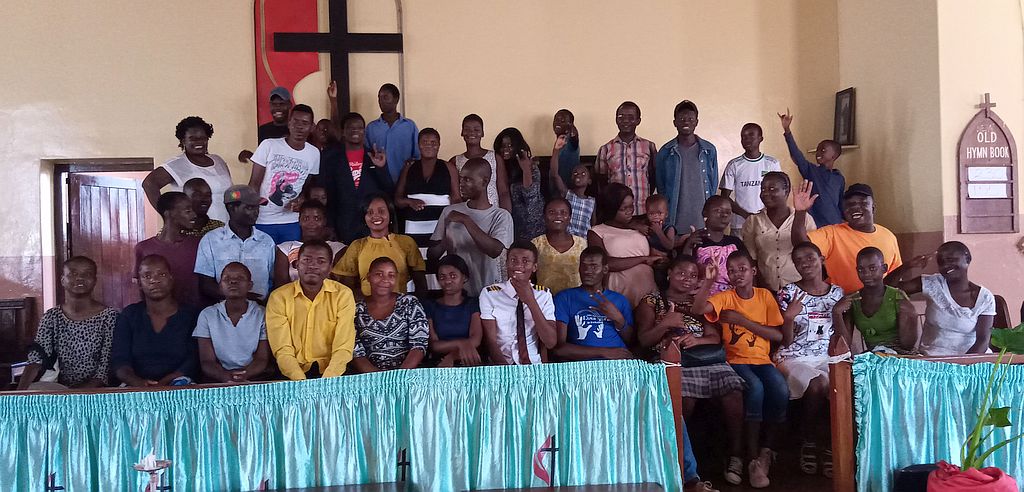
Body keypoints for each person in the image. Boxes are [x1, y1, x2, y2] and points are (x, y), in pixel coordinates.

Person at [635, 255, 745, 485]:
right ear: (669, 274)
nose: (687, 279)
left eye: (693, 275)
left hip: (706, 359)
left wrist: (697, 341)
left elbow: (714, 336)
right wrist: (666, 324)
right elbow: (644, 340)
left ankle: (735, 455)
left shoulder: (699, 302)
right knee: (685, 400)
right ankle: (685, 463)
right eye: (681, 273)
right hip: (671, 361)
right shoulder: (651, 301)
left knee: (734, 392)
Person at [691, 251, 788, 488]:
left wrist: (744, 322)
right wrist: (709, 281)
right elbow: (697, 309)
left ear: (753, 271)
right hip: (735, 360)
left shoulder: (764, 296)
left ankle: (766, 450)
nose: (737, 274)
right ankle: (752, 458)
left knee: (781, 390)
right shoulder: (725, 297)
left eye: (742, 269)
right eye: (732, 270)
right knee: (754, 389)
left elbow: (778, 335)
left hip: (762, 360)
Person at [775, 242, 848, 477]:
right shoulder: (788, 292)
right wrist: (788, 318)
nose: (805, 263)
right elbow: (784, 342)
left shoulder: (838, 293)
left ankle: (831, 445)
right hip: (795, 357)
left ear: (821, 258)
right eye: (799, 260)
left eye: (810, 258)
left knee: (839, 386)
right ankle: (809, 441)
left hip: (827, 357)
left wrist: (836, 313)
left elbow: (843, 336)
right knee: (816, 384)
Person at [18, 256, 117, 390]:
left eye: (87, 274)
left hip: (98, 391)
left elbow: (104, 370)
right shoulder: (52, 317)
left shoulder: (110, 317)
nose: (80, 278)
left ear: (94, 281)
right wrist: (18, 395)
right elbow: (36, 359)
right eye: (73, 274)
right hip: (60, 388)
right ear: (62, 280)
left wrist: (73, 396)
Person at [265, 240, 356, 379]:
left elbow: (343, 347)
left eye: (321, 261)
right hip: (292, 374)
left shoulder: (343, 295)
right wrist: (301, 383)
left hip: (333, 372)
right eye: (307, 260)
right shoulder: (279, 297)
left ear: (330, 267)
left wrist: (328, 381)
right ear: (297, 264)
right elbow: (282, 350)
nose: (313, 265)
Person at [886, 241, 995, 356]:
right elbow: (886, 288)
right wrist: (908, 265)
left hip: (971, 361)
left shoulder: (985, 298)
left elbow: (982, 341)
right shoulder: (933, 283)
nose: (946, 266)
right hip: (933, 361)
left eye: (951, 260)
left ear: (967, 260)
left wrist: (961, 366)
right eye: (941, 262)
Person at [792, 181, 902, 294]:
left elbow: (895, 275)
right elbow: (801, 245)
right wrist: (800, 212)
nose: (855, 207)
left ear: (873, 208)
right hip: (841, 304)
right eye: (849, 205)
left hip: (877, 305)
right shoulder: (832, 233)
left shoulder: (888, 236)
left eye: (862, 203)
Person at [428, 158, 514, 294]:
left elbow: (494, 250)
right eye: (461, 179)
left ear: (484, 182)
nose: (461, 184)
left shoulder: (500, 216)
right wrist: (443, 244)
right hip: (457, 294)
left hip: (488, 291)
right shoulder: (450, 211)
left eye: (467, 180)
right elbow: (431, 255)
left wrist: (466, 221)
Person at [112, 255, 199, 387]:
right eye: (147, 276)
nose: (154, 280)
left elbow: (194, 360)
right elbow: (120, 360)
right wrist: (138, 383)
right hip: (135, 385)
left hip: (180, 385)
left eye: (161, 274)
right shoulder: (130, 315)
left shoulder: (190, 315)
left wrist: (164, 383)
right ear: (140, 283)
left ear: (171, 278)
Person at [247, 104, 321, 244]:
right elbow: (253, 185)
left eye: (304, 123)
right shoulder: (269, 145)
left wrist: (300, 200)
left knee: (289, 263)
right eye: (295, 122)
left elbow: (306, 185)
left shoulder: (314, 153)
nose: (299, 127)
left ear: (312, 127)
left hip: (291, 220)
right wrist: (251, 216)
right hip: (263, 219)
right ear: (289, 123)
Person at [194, 185, 279, 302]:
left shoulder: (266, 241)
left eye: (257, 208)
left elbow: (275, 280)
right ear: (232, 208)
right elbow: (205, 284)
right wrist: (240, 298)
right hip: (223, 311)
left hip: (260, 311)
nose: (256, 212)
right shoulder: (211, 240)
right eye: (250, 208)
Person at [320, 110, 394, 243]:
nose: (355, 131)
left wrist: (381, 168)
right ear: (343, 131)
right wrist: (330, 225)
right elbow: (328, 193)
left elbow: (388, 189)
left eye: (359, 128)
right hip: (343, 224)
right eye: (351, 127)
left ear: (364, 132)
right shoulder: (331, 157)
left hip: (371, 223)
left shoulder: (374, 156)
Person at [333, 194, 427, 298]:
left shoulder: (406, 242)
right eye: (370, 212)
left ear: (390, 214)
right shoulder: (357, 246)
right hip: (365, 308)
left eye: (381, 211)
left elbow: (420, 283)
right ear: (364, 217)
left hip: (401, 309)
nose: (376, 216)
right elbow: (346, 283)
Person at [143, 116, 233, 223]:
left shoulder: (218, 161)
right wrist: (169, 217)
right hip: (195, 228)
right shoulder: (177, 164)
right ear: (183, 141)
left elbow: (230, 193)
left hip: (225, 227)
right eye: (193, 139)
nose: (199, 142)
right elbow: (149, 184)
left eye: (203, 138)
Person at [479, 240, 557, 365]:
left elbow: (550, 342)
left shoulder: (543, 295)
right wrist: (507, 373)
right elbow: (491, 342)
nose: (518, 265)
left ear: (534, 267)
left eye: (525, 261)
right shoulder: (490, 294)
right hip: (501, 365)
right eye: (513, 260)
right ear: (506, 264)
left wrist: (530, 300)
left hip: (533, 365)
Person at [552, 246, 635, 361]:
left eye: (593, 266)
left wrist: (618, 318)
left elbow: (632, 341)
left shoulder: (620, 300)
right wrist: (604, 352)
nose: (587, 271)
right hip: (583, 365)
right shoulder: (565, 298)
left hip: (618, 363)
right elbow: (559, 349)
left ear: (605, 269)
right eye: (583, 266)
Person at [193, 262, 270, 382]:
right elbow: (207, 361)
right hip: (218, 378)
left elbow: (262, 359)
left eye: (240, 278)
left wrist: (244, 375)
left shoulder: (262, 314)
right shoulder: (207, 315)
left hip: (254, 378)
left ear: (250, 285)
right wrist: (226, 377)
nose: (233, 282)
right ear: (220, 286)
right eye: (226, 279)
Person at [832, 247, 918, 354]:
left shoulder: (897, 297)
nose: (866, 274)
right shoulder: (853, 300)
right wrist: (837, 313)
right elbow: (844, 345)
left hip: (900, 357)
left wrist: (911, 317)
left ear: (884, 268)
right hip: (873, 357)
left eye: (872, 268)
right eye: (860, 270)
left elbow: (908, 345)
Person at [741, 172, 817, 292]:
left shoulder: (805, 218)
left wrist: (800, 213)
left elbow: (808, 251)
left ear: (786, 192)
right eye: (763, 189)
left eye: (772, 189)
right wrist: (760, 290)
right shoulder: (753, 221)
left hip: (800, 289)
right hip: (767, 289)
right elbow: (752, 260)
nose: (765, 193)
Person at [588, 183, 662, 307]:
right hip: (618, 295)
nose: (629, 211)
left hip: (649, 295)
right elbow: (605, 263)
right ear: (611, 208)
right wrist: (643, 259)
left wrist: (659, 259)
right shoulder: (597, 232)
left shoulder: (641, 227)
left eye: (631, 206)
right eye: (623, 208)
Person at [350, 257, 429, 372]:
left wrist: (398, 378)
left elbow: (419, 344)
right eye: (379, 274)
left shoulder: (409, 303)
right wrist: (378, 380)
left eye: (391, 275)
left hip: (407, 375)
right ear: (368, 277)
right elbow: (355, 351)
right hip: (370, 378)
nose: (385, 279)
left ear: (396, 278)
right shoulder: (357, 310)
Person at [655, 100, 719, 232]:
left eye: (690, 118)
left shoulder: (709, 150)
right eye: (682, 118)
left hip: (703, 222)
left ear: (696, 122)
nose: (686, 122)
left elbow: (713, 183)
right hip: (674, 223)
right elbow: (660, 185)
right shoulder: (666, 151)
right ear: (675, 122)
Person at [394, 128, 461, 246]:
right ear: (418, 145)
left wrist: (451, 223)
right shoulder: (409, 168)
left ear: (439, 145)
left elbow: (456, 199)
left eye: (433, 142)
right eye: (424, 142)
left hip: (441, 227)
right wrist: (410, 202)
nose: (429, 146)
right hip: (414, 228)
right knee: (417, 261)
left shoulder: (449, 168)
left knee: (440, 260)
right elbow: (397, 200)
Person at [778, 109, 845, 226]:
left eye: (823, 150)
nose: (818, 152)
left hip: (835, 225)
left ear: (834, 156)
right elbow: (797, 156)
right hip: (815, 225)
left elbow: (840, 202)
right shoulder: (811, 171)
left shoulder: (839, 178)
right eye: (818, 149)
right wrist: (787, 131)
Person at [135, 192, 201, 307]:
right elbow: (141, 288)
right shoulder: (144, 248)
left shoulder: (199, 244)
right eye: (188, 211)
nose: (194, 215)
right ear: (169, 214)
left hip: (195, 315)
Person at [595, 101, 658, 215]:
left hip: (642, 210)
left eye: (630, 117)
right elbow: (602, 182)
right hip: (616, 213)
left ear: (638, 120)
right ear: (616, 120)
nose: (625, 121)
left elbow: (653, 177)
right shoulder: (605, 149)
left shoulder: (649, 146)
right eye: (621, 117)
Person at [720, 123, 781, 232]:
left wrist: (764, 213)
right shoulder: (734, 165)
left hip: (767, 223)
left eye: (751, 135)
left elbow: (780, 192)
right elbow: (724, 196)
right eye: (743, 136)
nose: (746, 139)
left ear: (760, 138)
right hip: (740, 225)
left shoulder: (772, 163)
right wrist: (746, 215)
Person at [424, 255, 482, 367]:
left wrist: (453, 356)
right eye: (442, 277)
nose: (448, 281)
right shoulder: (430, 305)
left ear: (464, 277)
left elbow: (476, 339)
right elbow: (434, 345)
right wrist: (462, 344)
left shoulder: (472, 304)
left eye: (453, 276)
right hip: (438, 364)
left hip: (469, 361)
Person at [682, 195, 746, 296]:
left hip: (733, 297)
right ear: (705, 213)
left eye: (728, 212)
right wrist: (689, 245)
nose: (724, 215)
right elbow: (685, 269)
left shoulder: (735, 243)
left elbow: (747, 271)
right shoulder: (696, 241)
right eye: (718, 211)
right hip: (703, 298)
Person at [449, 114, 510, 211]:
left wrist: (506, 216)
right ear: (462, 132)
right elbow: (455, 195)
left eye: (476, 130)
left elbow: (503, 191)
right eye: (467, 129)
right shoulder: (455, 161)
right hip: (467, 214)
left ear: (482, 133)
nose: (471, 132)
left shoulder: (495, 158)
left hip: (493, 213)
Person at [276, 201, 346, 282]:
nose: (311, 223)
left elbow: (341, 284)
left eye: (317, 218)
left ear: (324, 221)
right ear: (299, 220)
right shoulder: (285, 248)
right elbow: (280, 285)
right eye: (306, 218)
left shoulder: (338, 248)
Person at [364, 83, 420, 181]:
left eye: (385, 97)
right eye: (379, 98)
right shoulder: (371, 128)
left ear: (396, 100)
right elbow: (367, 155)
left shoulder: (409, 126)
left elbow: (418, 155)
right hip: (379, 181)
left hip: (406, 181)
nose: (381, 101)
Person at [496, 127, 545, 241]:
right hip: (512, 223)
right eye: (502, 146)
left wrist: (526, 170)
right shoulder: (500, 167)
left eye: (510, 145)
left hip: (532, 223)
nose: (505, 149)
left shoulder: (531, 166)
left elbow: (531, 195)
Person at [531, 198, 587, 295]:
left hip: (575, 302)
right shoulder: (536, 244)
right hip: (544, 302)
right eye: (552, 212)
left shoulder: (583, 244)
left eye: (563, 212)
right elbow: (530, 278)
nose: (558, 216)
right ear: (544, 217)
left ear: (569, 217)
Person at [548, 134, 595, 236]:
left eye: (583, 174)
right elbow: (554, 174)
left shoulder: (592, 201)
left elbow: (593, 226)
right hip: (567, 241)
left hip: (583, 243)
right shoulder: (567, 194)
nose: (578, 175)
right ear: (571, 178)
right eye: (575, 173)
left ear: (589, 181)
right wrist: (556, 150)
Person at [552, 109, 581, 189]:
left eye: (562, 121)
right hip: (555, 190)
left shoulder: (570, 140)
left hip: (567, 191)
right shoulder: (559, 142)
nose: (557, 123)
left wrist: (574, 134)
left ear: (570, 125)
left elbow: (575, 138)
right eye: (556, 120)